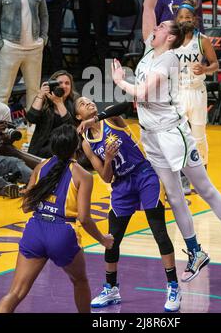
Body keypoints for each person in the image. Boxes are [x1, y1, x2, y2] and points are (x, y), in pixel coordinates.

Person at [111, 0, 221, 278]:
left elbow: (142, 94)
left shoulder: (169, 59)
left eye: (161, 26)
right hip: (151, 135)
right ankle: (195, 252)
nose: (156, 25)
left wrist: (121, 80)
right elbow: (148, 5)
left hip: (173, 132)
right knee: (175, 198)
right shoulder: (151, 47)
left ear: (171, 37)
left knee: (204, 189)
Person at [75, 97, 181, 312]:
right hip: (121, 184)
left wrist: (96, 117)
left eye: (90, 101)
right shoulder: (87, 143)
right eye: (83, 104)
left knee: (159, 231)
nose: (89, 103)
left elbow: (126, 105)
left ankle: (173, 286)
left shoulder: (111, 119)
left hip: (144, 175)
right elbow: (105, 177)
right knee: (112, 238)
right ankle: (111, 288)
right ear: (78, 116)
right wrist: (108, 158)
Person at [0, 124, 114, 313]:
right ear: (76, 146)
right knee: (80, 281)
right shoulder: (83, 175)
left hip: (35, 230)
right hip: (62, 233)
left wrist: (26, 192)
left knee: (15, 293)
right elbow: (84, 219)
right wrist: (103, 240)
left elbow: (27, 207)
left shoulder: (41, 166)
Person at [174, 0, 219, 171]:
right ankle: (182, 174)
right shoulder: (171, 40)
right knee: (179, 136)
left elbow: (215, 65)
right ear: (176, 20)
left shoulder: (202, 40)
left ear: (195, 19)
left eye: (188, 17)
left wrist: (205, 69)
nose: (184, 20)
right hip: (177, 92)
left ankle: (203, 173)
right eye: (181, 17)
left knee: (199, 136)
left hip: (197, 91)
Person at [0, 69, 32, 198]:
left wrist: (7, 138)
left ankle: (35, 183)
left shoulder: (3, 108)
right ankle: (6, 187)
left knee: (16, 162)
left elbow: (6, 141)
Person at [26, 70, 79, 158]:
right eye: (60, 83)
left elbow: (71, 129)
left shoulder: (74, 103)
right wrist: (40, 95)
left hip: (62, 151)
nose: (63, 86)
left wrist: (59, 103)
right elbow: (31, 118)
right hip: (40, 150)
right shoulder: (44, 100)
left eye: (67, 83)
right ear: (52, 85)